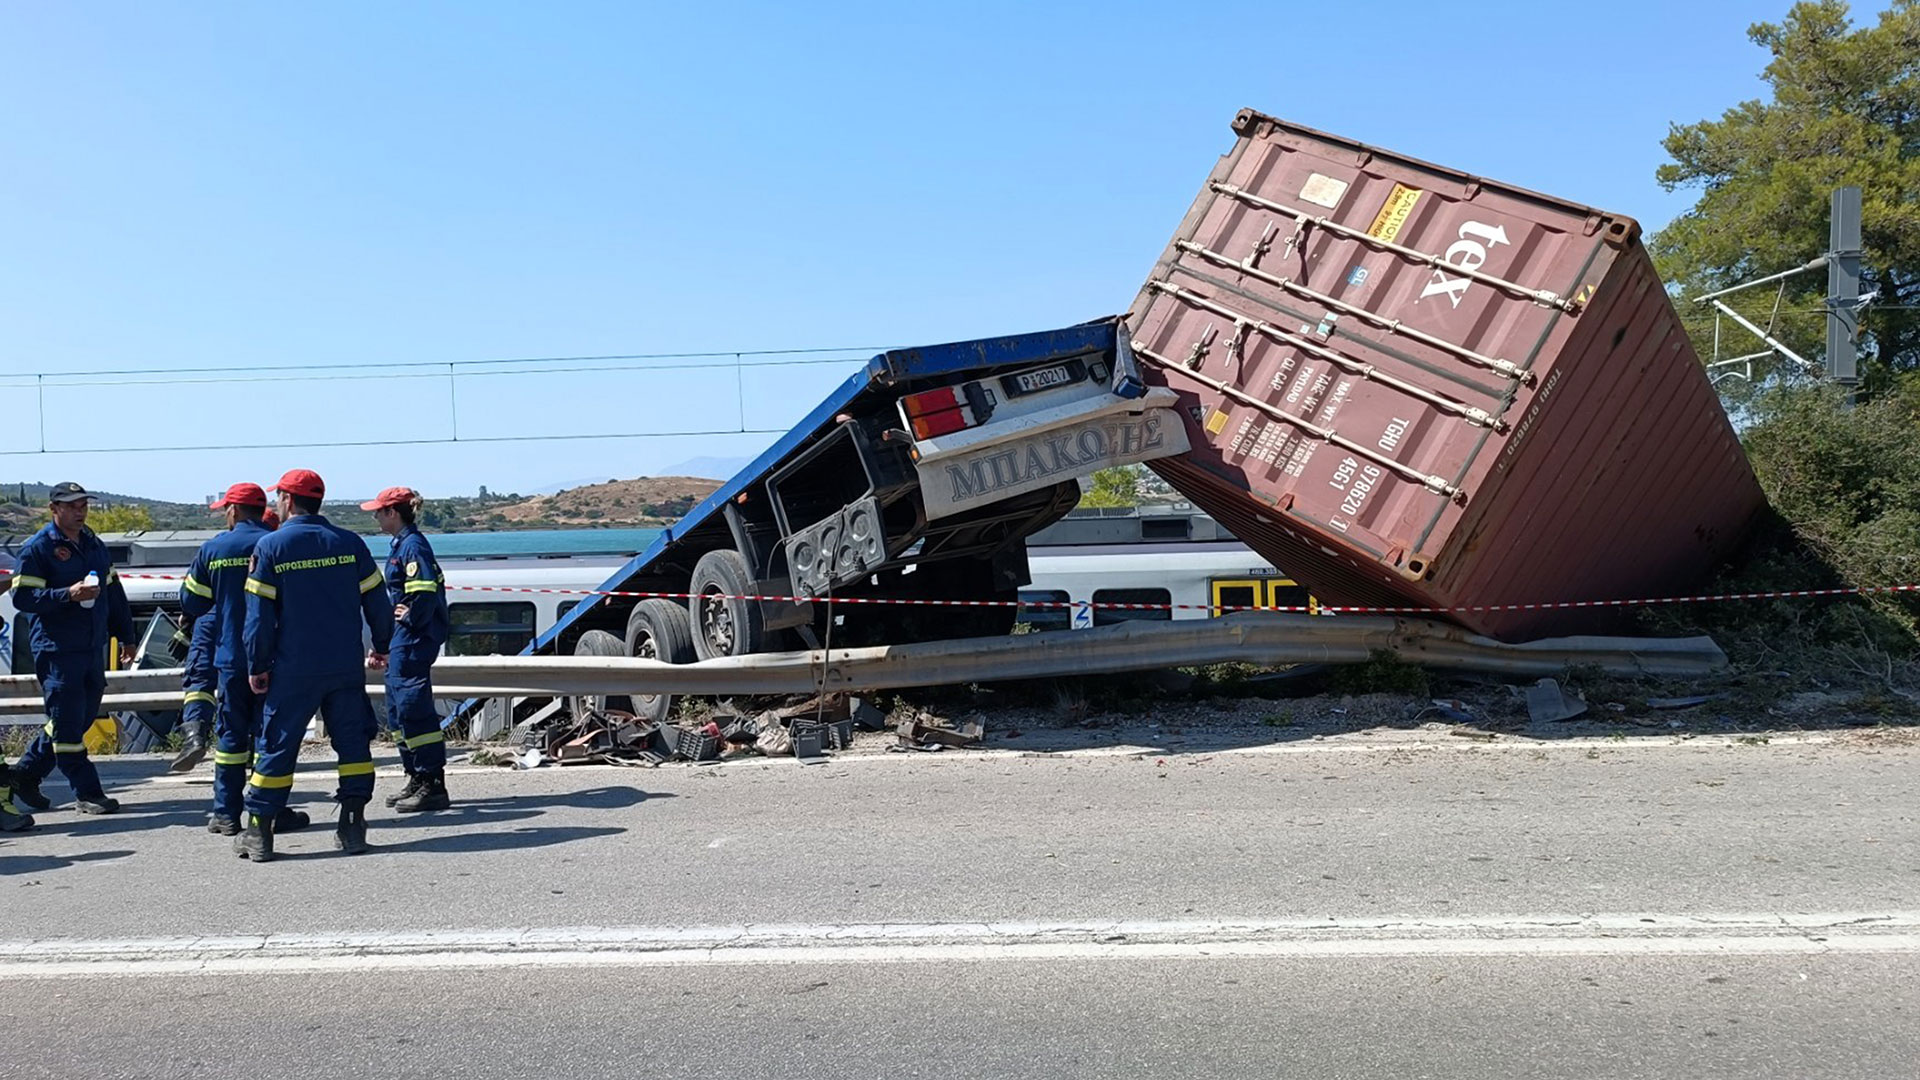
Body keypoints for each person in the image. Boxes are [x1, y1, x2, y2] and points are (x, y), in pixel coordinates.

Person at [237, 469, 392, 862]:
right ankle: (353, 824)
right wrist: (383, 645)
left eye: (278, 497)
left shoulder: (271, 548)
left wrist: (257, 664)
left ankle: (259, 832)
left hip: (292, 668)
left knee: (278, 746)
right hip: (343, 665)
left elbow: (258, 619)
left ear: (288, 500)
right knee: (353, 746)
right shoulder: (350, 543)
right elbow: (378, 603)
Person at [179, 483, 310, 837]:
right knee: (271, 738)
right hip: (276, 657)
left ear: (234, 510)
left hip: (231, 658)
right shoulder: (278, 544)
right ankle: (271, 810)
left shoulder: (214, 548)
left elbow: (192, 602)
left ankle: (225, 814)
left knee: (231, 739)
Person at [4, 482, 136, 816]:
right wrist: (66, 594)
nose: (80, 512)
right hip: (58, 648)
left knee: (81, 715)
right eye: (72, 506)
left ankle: (27, 773)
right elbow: (21, 598)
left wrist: (127, 635)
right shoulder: (38, 548)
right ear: (54, 509)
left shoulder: (94, 543)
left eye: (83, 506)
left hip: (92, 646)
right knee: (66, 724)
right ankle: (88, 792)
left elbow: (113, 592)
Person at [362, 487, 452, 813]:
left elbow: (424, 592)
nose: (375, 517)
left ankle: (432, 782)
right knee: (399, 709)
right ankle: (415, 775)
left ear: (393, 513)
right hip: (404, 638)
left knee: (413, 707)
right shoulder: (402, 545)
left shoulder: (412, 546)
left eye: (379, 511)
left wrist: (410, 615)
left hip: (414, 638)